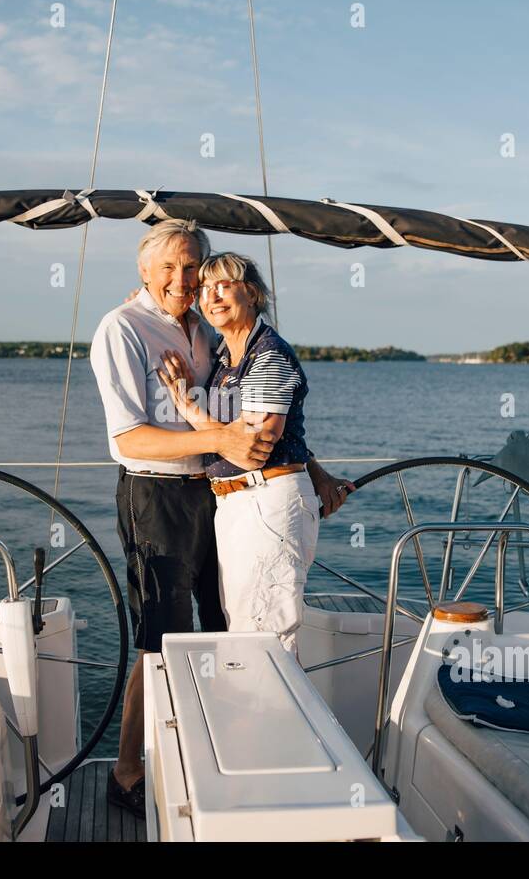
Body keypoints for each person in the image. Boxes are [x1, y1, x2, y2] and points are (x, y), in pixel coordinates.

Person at [89, 222, 350, 817]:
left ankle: (214, 760)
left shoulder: (208, 331)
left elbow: (256, 424)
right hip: (156, 497)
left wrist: (316, 471)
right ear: (144, 271)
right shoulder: (122, 329)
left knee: (223, 630)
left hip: (219, 496)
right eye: (172, 269)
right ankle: (129, 771)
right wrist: (220, 434)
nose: (185, 281)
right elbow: (130, 435)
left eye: (195, 270)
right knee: (161, 640)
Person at [157, 251, 353, 659]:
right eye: (204, 289)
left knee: (268, 639)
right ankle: (259, 717)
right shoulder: (227, 356)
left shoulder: (267, 357)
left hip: (265, 500)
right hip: (237, 503)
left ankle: (275, 720)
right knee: (247, 627)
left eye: (223, 286)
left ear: (252, 293)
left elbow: (251, 452)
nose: (211, 296)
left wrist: (188, 407)